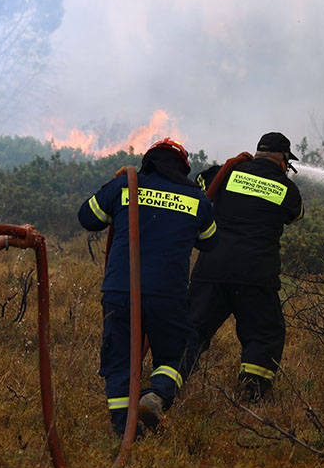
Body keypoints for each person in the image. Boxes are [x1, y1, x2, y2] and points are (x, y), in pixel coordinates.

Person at [78, 138, 217, 435]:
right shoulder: (198, 199)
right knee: (181, 352)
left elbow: (88, 218)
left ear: (148, 161)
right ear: (184, 168)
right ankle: (157, 394)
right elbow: (210, 242)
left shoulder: (126, 185)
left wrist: (112, 187)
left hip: (120, 291)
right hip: (167, 294)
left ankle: (123, 430)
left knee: (120, 360)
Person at [189, 132, 303, 402]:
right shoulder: (286, 188)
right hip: (256, 275)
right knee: (265, 334)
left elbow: (202, 181)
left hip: (213, 268)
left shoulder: (227, 172)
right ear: (284, 159)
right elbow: (295, 215)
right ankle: (253, 394)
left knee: (191, 329)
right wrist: (284, 182)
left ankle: (165, 385)